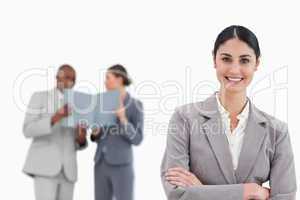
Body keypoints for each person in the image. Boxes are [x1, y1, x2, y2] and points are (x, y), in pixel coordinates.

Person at [161, 25, 297, 200]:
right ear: (214, 60)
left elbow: (285, 197)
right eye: (226, 59)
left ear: (257, 63)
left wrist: (201, 191)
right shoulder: (184, 118)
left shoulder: (277, 132)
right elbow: (176, 194)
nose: (234, 69)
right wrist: (248, 191)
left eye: (244, 60)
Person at [23, 64, 88, 200]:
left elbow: (77, 143)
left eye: (73, 79)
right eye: (67, 77)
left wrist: (81, 138)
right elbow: (27, 130)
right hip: (45, 168)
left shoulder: (78, 105)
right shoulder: (40, 97)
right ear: (57, 78)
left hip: (68, 172)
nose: (70, 82)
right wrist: (56, 117)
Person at [91, 64, 144, 200]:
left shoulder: (135, 105)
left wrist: (123, 119)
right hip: (100, 164)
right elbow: (97, 136)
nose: (105, 82)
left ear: (119, 79)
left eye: (108, 78)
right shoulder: (101, 103)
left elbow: (137, 139)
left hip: (122, 165)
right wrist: (95, 131)